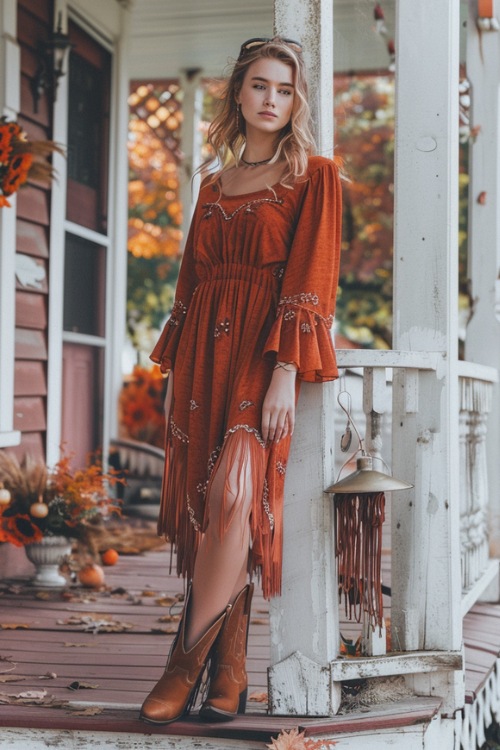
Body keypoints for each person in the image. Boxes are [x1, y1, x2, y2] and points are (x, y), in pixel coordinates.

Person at [140, 36, 342, 725]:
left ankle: (183, 663)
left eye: (285, 90)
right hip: (203, 353)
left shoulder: (314, 176)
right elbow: (190, 283)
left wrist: (287, 369)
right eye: (260, 86)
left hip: (262, 353)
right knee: (207, 509)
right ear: (237, 93)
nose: (272, 101)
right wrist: (176, 368)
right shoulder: (211, 184)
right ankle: (229, 675)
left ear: (298, 101)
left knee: (233, 497)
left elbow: (313, 277)